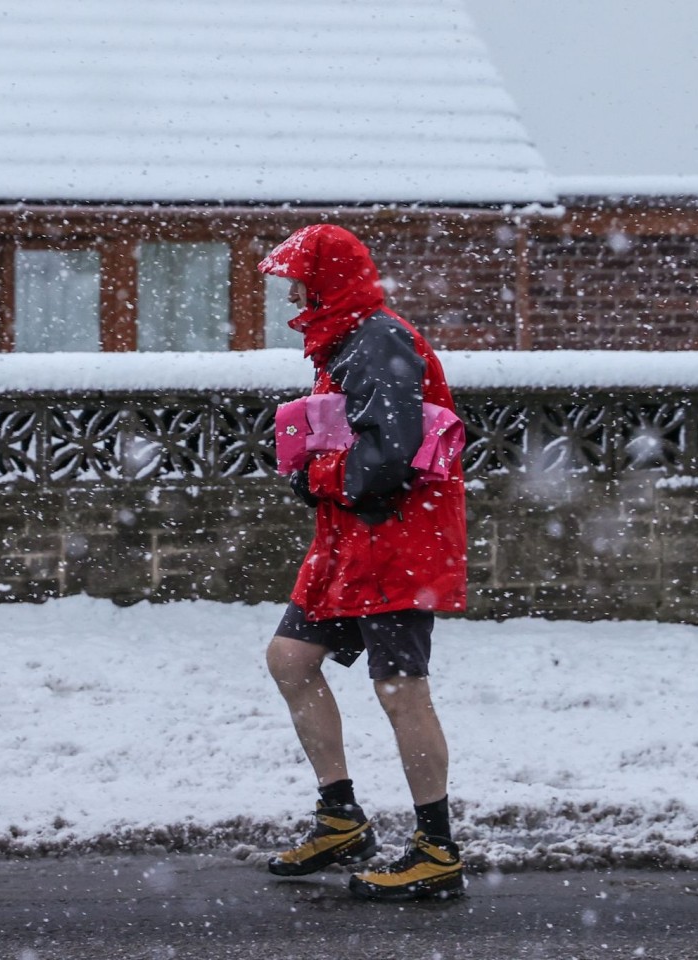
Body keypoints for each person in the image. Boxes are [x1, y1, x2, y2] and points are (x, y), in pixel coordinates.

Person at [259, 224, 468, 901]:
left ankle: (436, 850)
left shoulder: (376, 338)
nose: (291, 290)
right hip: (351, 538)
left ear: (328, 280)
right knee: (291, 660)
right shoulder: (344, 338)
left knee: (401, 688)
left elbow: (391, 456)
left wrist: (313, 474)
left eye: (300, 278)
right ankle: (341, 819)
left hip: (396, 541)